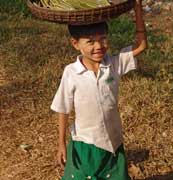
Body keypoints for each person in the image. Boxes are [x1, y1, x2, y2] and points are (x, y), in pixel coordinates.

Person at [51, 0, 147, 179]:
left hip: (114, 139)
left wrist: (138, 8)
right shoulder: (71, 73)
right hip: (87, 143)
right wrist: (61, 144)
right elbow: (63, 109)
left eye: (103, 38)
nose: (99, 46)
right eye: (90, 42)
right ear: (75, 44)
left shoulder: (113, 64)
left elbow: (141, 46)